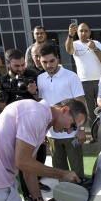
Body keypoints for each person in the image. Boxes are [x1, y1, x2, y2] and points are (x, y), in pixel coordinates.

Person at [1, 49, 50, 201]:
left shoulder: (32, 74)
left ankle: (36, 180)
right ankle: (27, 193)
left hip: (34, 124)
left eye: (23, 64)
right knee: (24, 161)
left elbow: (42, 100)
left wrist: (33, 92)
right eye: (17, 65)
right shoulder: (3, 81)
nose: (21, 68)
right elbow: (1, 107)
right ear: (8, 64)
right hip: (15, 127)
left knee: (40, 156)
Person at [38, 44, 86, 179]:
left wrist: (81, 129)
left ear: (57, 58)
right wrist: (43, 132)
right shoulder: (40, 78)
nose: (48, 65)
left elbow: (80, 104)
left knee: (77, 170)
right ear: (40, 61)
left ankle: (80, 197)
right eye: (44, 62)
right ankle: (64, 197)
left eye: (51, 61)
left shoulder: (72, 77)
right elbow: (42, 106)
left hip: (72, 134)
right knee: (59, 171)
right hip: (52, 135)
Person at [65, 22, 101, 127]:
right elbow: (68, 50)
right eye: (81, 31)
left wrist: (95, 48)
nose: (83, 33)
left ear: (90, 32)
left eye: (86, 31)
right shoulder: (74, 44)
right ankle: (94, 133)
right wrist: (70, 35)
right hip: (84, 81)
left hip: (99, 80)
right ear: (77, 32)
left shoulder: (96, 43)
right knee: (89, 110)